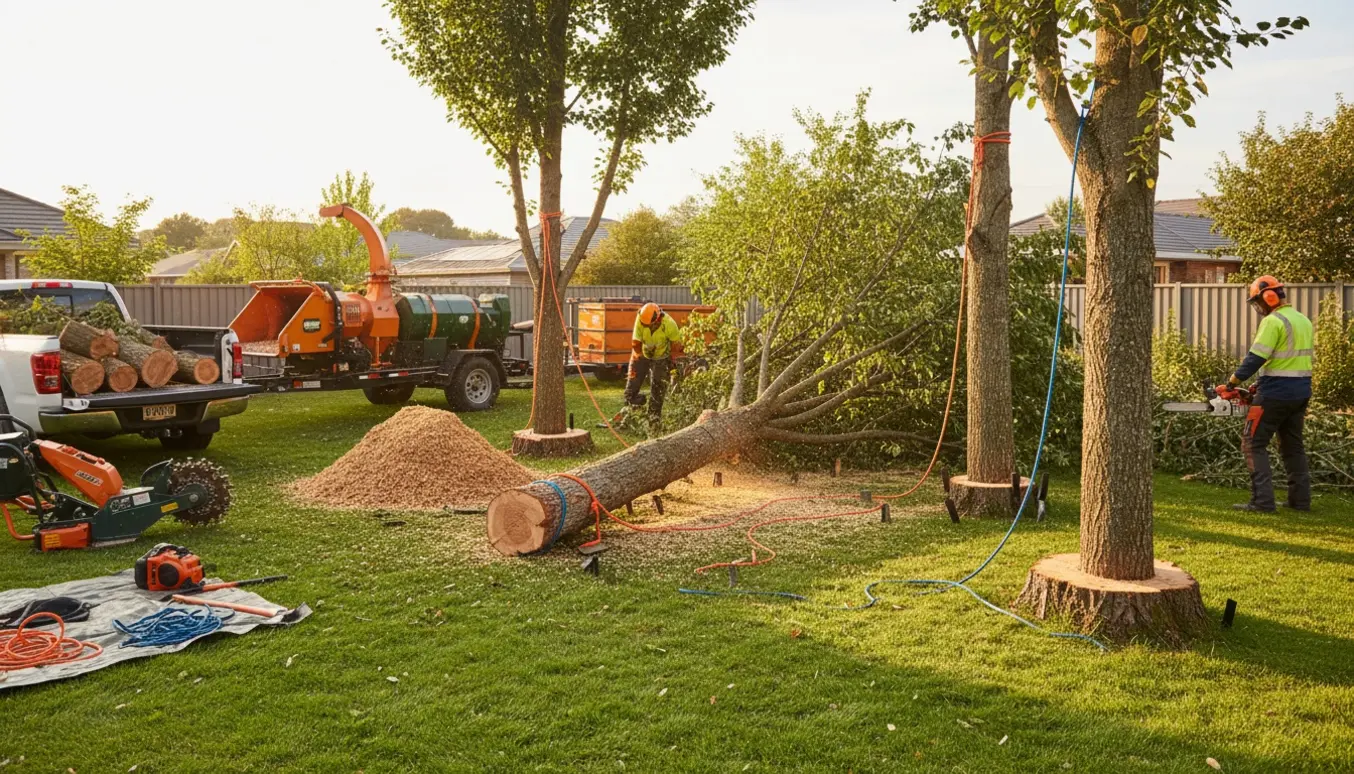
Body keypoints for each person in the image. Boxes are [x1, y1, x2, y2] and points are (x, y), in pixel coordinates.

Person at [1220, 275, 1313, 513]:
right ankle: (1300, 501)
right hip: (1301, 392)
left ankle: (1262, 502)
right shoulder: (1302, 320)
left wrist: (1232, 383)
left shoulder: (1273, 321)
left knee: (1252, 443)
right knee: (1293, 446)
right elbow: (1284, 362)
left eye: (1257, 302)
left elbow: (1256, 357)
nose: (1258, 307)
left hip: (1275, 393)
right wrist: (1258, 384)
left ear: (1268, 297)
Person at [625, 302, 682, 431]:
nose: (647, 327)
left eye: (649, 325)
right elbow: (636, 343)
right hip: (641, 354)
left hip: (661, 358)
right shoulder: (641, 319)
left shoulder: (669, 324)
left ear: (658, 318)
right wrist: (638, 361)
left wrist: (672, 366)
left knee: (658, 390)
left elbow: (676, 347)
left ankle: (653, 420)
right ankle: (630, 415)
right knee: (631, 389)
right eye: (645, 325)